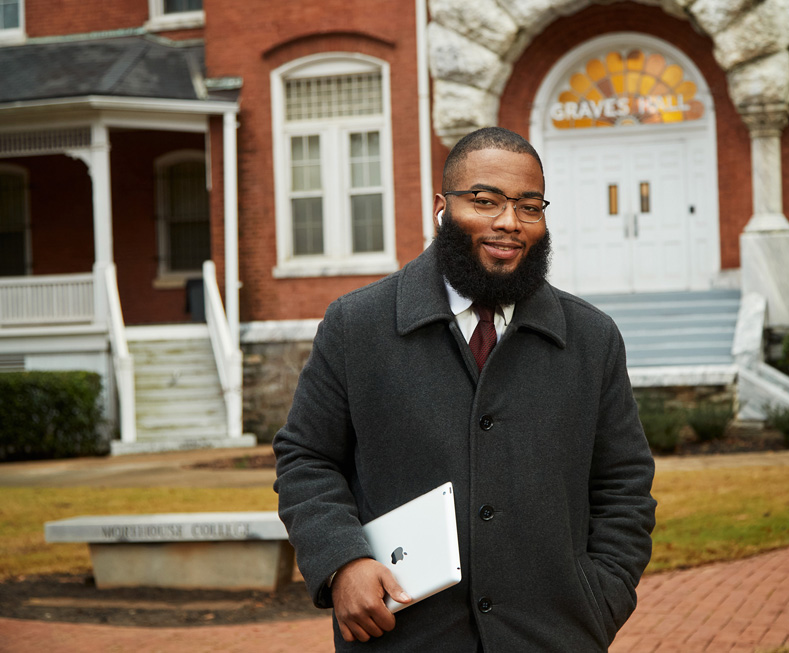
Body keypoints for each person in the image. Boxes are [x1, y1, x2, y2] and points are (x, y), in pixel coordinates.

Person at [274, 126, 657, 651]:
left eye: (529, 206)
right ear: (442, 207)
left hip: (553, 637)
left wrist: (600, 600)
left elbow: (624, 485)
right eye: (485, 201)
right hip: (404, 636)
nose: (509, 222)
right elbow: (305, 458)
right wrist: (342, 560)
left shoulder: (592, 338)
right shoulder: (356, 325)